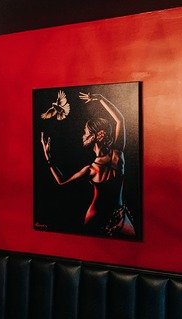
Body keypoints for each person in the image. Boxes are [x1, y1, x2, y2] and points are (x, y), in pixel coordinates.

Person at [40, 92, 135, 237]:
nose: (83, 136)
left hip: (95, 217)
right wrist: (101, 99)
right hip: (120, 217)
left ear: (97, 135)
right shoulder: (118, 154)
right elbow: (120, 120)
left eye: (86, 132)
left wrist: (48, 157)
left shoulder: (90, 170)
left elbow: (61, 182)